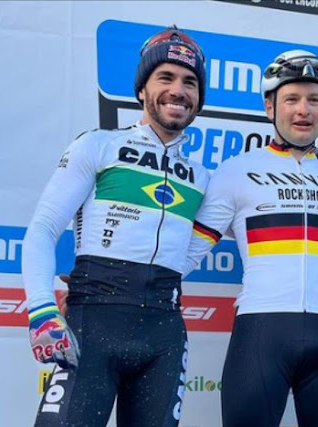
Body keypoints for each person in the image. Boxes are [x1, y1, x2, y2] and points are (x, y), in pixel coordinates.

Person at [182, 50, 318, 427]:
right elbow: (190, 251)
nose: (304, 109)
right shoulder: (236, 172)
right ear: (270, 107)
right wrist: (124, 288)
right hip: (260, 334)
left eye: (314, 100)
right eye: (292, 99)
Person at [22, 26, 210, 427]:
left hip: (164, 334)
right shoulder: (98, 145)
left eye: (190, 82)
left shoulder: (202, 177)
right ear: (142, 88)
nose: (178, 90)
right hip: (92, 325)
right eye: (166, 77)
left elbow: (187, 252)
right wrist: (41, 311)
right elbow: (43, 228)